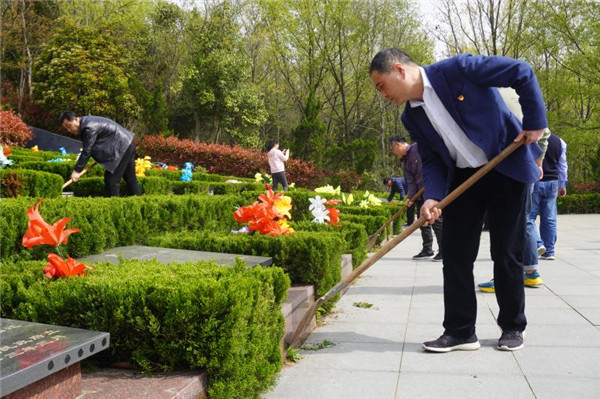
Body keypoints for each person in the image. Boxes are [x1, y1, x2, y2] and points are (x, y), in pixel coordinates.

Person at [370, 49, 547, 352]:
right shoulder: (411, 115)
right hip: (463, 180)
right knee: (454, 255)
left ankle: (512, 326)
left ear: (399, 69)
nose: (382, 95)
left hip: (504, 167)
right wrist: (434, 197)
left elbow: (522, 71)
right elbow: (431, 158)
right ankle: (461, 331)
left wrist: (534, 121)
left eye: (381, 86)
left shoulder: (457, 70)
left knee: (506, 251)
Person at [59, 111, 141, 197]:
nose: (69, 130)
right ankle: (140, 204)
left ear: (75, 119)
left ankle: (114, 208)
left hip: (123, 146)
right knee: (130, 178)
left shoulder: (88, 127)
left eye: (69, 126)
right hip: (127, 143)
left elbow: (87, 151)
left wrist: (76, 171)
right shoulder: (87, 123)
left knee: (111, 180)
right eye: (66, 128)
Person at [389, 135, 442, 262]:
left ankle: (444, 250)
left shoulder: (418, 149)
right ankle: (427, 249)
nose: (393, 152)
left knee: (436, 221)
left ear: (398, 144)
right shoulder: (405, 160)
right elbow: (411, 181)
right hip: (419, 193)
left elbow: (430, 169)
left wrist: (430, 187)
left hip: (430, 191)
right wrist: (410, 197)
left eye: (392, 149)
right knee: (421, 221)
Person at [532, 132, 568, 261]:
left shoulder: (533, 137)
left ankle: (537, 244)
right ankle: (550, 251)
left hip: (535, 180)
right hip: (552, 182)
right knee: (550, 218)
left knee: (529, 217)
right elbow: (562, 165)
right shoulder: (559, 141)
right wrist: (562, 184)